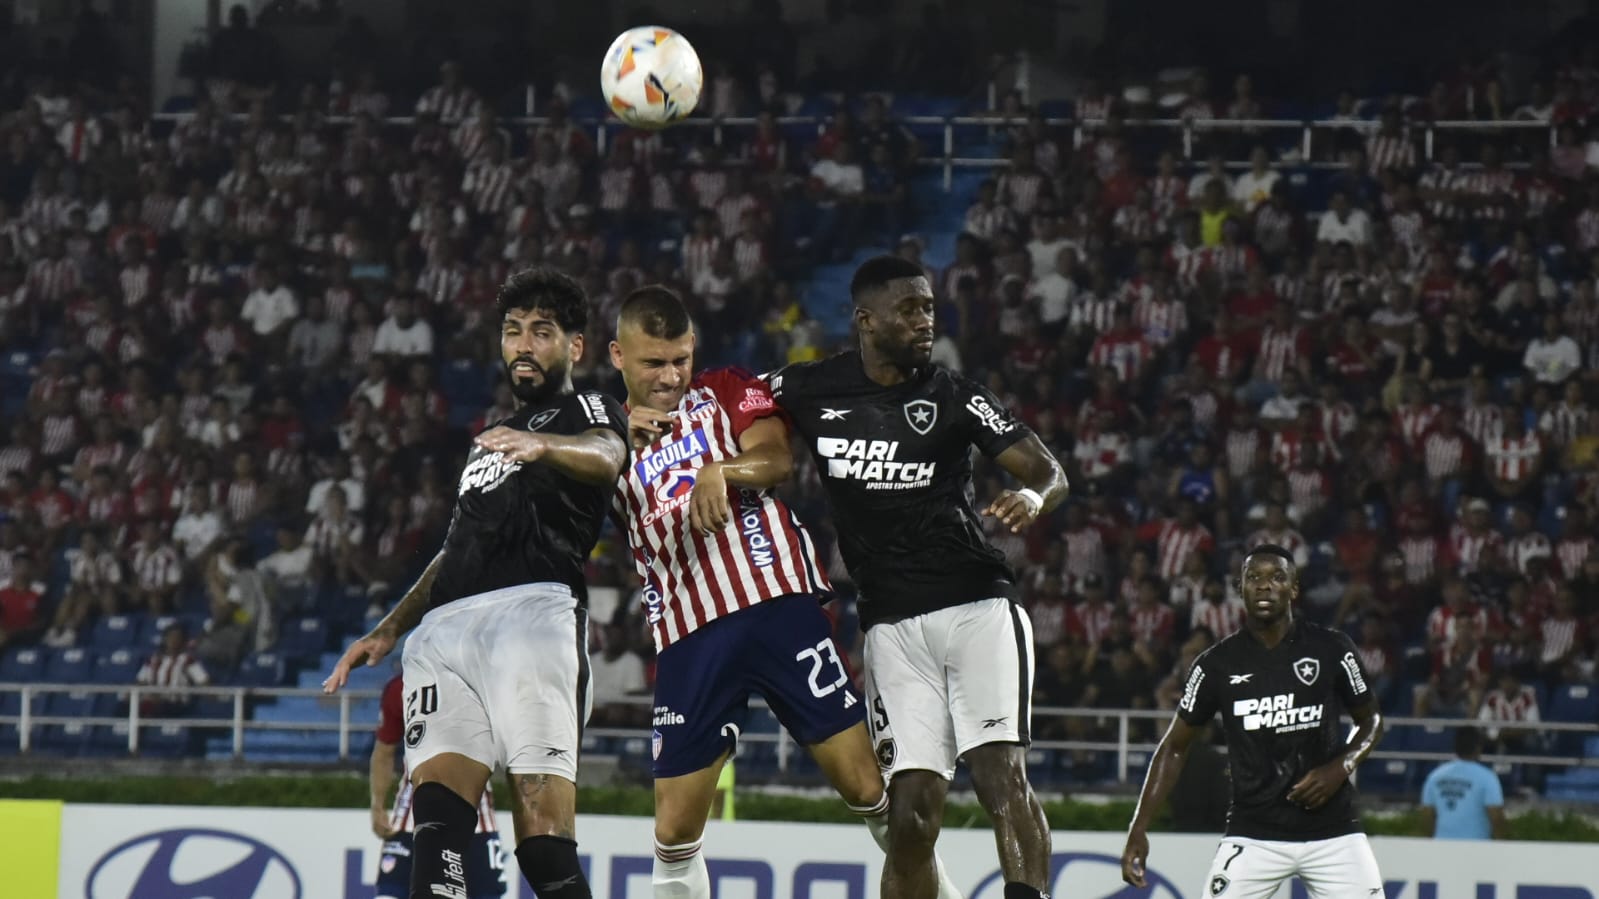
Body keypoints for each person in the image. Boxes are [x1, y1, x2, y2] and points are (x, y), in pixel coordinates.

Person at [607, 286, 959, 899]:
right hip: (690, 637)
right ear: (618, 356)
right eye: (653, 363)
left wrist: (722, 470)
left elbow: (774, 457)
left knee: (866, 786)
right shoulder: (605, 440)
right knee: (674, 829)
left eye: (680, 359)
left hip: (777, 608)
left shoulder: (721, 387)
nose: (670, 376)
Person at [770, 256, 1069, 899]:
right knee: (909, 815)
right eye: (909, 309)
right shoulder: (811, 388)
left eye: (929, 307)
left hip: (975, 609)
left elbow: (1049, 471)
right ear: (865, 320)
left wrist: (1035, 498)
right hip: (889, 627)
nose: (925, 320)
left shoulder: (955, 394)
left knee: (1000, 778)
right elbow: (735, 398)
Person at [325, 268, 629, 899]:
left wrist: (541, 446)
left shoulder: (586, 408)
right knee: (436, 827)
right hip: (442, 634)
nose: (523, 344)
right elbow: (455, 547)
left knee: (543, 846)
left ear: (574, 347)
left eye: (541, 332)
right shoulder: (492, 438)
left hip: (533, 615)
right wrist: (389, 628)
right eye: (513, 331)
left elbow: (608, 455)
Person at [1120, 545, 1386, 898]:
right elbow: (1173, 747)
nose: (1264, 585)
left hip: (1334, 833)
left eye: (1276, 577)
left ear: (1293, 589)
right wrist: (1139, 827)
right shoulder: (1215, 664)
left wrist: (1340, 767)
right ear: (1239, 588)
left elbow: (1372, 721)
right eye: (1254, 577)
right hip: (1254, 835)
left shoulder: (1332, 647)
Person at [371, 674, 506, 899]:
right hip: (411, 819)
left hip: (474, 823)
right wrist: (377, 806)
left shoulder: (484, 680)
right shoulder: (400, 687)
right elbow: (384, 750)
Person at [1419, 726, 1506, 840]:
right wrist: (1504, 843)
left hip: (1441, 847)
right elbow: (1496, 816)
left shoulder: (1435, 776)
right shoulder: (1487, 778)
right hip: (1476, 848)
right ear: (1478, 748)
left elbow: (1427, 816)